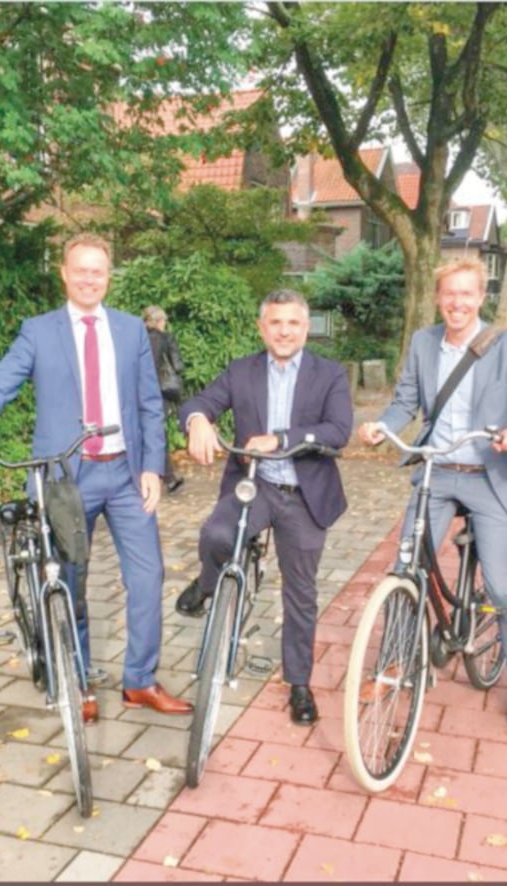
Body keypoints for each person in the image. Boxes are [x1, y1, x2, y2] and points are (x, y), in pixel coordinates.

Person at [0, 232, 192, 723]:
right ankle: (78, 679)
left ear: (109, 276)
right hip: (65, 479)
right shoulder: (39, 331)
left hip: (125, 473)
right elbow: (0, 383)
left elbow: (148, 403)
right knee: (69, 582)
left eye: (98, 271)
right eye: (81, 270)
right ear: (64, 274)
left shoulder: (130, 330)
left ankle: (140, 680)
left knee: (148, 577)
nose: (89, 279)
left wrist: (152, 467)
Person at [358, 258, 507, 734]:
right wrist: (382, 426)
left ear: (481, 297)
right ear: (438, 298)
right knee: (405, 566)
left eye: (466, 293)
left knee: (502, 585)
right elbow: (405, 401)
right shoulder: (424, 342)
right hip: (437, 472)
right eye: (449, 294)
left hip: (490, 474)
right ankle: (394, 660)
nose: (457, 302)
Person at [176, 289, 353, 725]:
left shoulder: (329, 373)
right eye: (276, 322)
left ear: (306, 328)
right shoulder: (242, 371)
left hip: (304, 494)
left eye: (293, 323)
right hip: (253, 486)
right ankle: (208, 583)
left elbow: (338, 430)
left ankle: (299, 683)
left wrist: (281, 439)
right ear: (262, 328)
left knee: (301, 593)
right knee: (216, 535)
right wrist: (197, 420)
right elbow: (200, 402)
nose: (284, 331)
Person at [143, 305, 185, 494]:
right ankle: (168, 477)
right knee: (158, 433)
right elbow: (178, 366)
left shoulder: (137, 338)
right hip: (158, 393)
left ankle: (164, 476)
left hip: (136, 391)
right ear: (159, 321)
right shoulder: (166, 339)